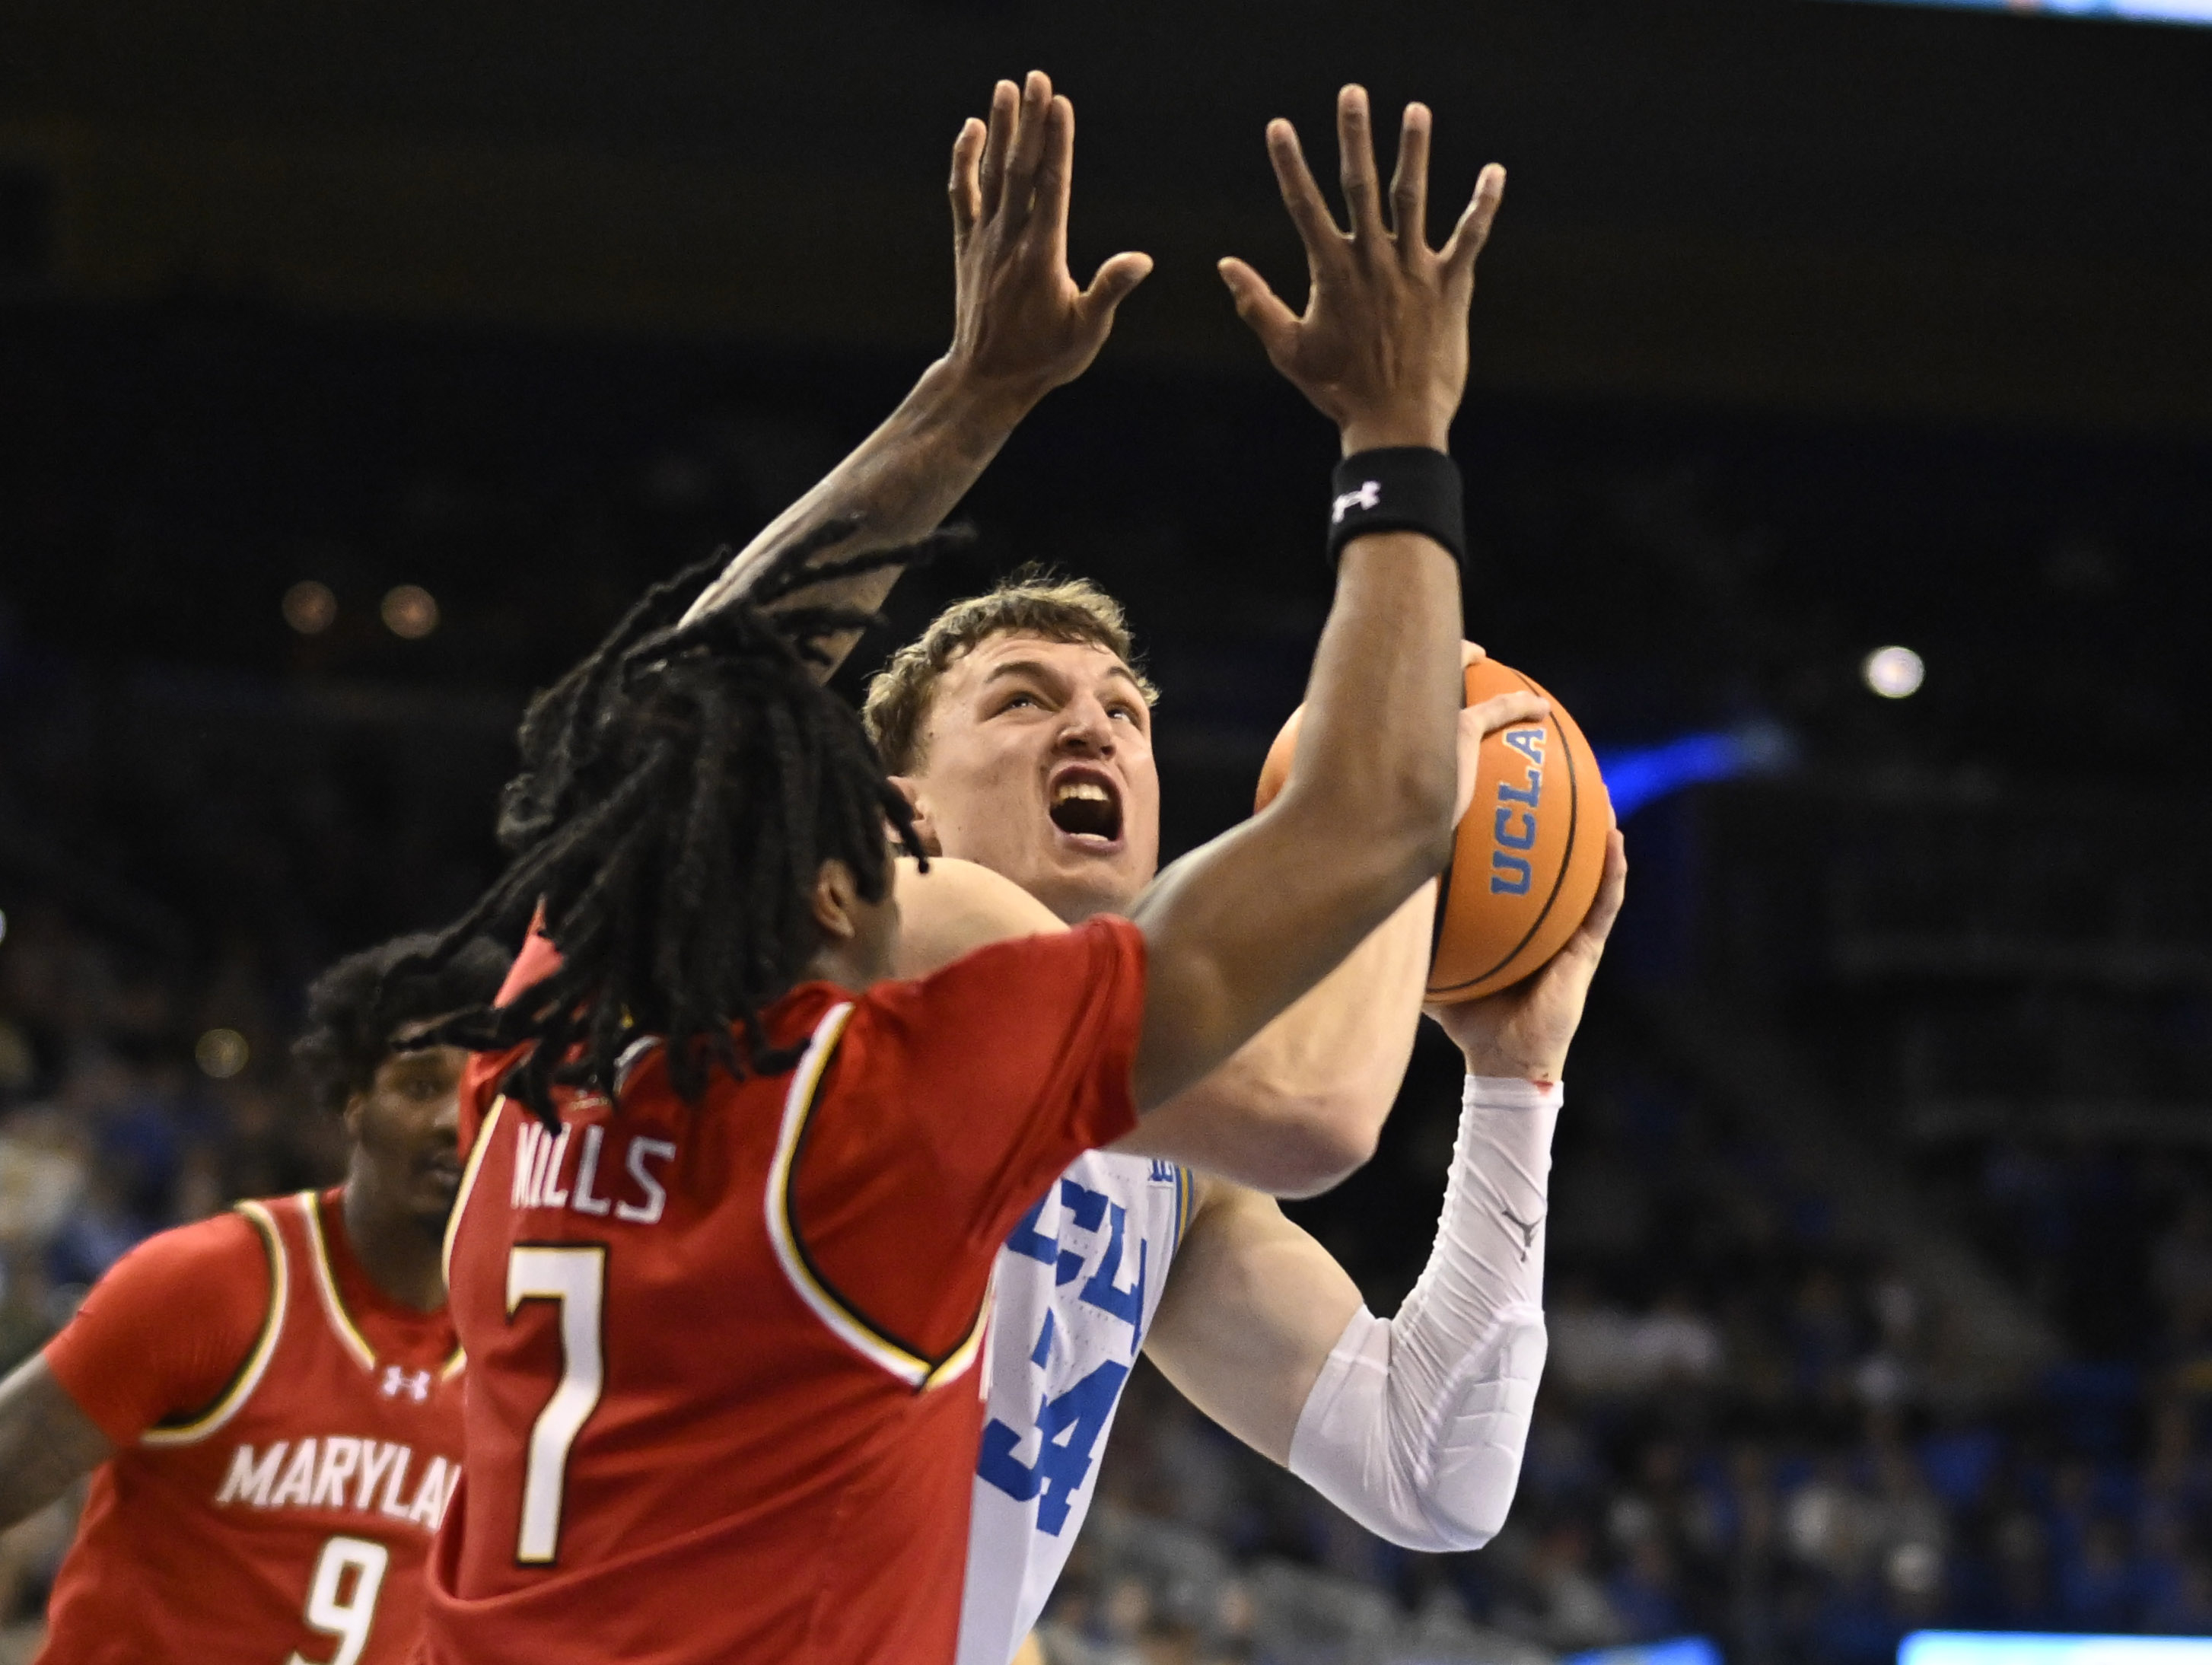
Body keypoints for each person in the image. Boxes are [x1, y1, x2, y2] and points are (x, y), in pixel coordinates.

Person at [401, 75, 1500, 1665]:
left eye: (1123, 709)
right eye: (1028, 699)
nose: (1097, 730)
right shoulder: (908, 1081)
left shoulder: (566, 995)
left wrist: (972, 392)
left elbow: (697, 695)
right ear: (875, 834)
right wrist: (1401, 455)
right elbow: (1319, 1084)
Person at [0, 931, 506, 1663]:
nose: (450, 1122)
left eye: (481, 1090)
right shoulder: (211, 1285)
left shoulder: (519, 1353)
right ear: (354, 1101)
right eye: (420, 1084)